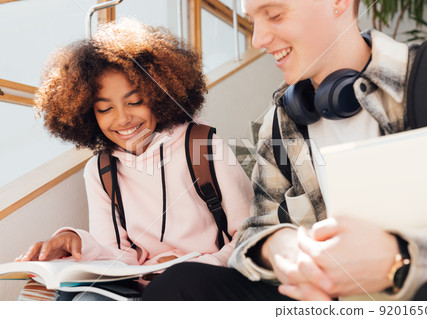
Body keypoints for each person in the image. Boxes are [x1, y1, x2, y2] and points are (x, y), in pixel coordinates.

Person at [140, 0, 427, 301]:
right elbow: (255, 229)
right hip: (321, 301)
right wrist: (279, 247)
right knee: (180, 285)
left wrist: (399, 260)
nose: (258, 38)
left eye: (274, 14)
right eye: (252, 20)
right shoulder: (282, 119)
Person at [15, 18, 253, 300]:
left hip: (205, 282)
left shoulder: (203, 145)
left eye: (135, 102)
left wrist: (197, 266)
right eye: (105, 108)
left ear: (159, 94)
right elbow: (117, 256)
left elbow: (250, 234)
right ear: (89, 115)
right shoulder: (101, 170)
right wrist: (76, 240)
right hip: (140, 291)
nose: (122, 119)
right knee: (63, 299)